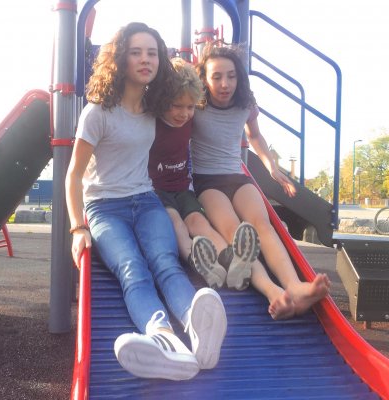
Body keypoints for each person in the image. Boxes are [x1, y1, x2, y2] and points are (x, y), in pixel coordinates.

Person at [65, 23, 227, 381]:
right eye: (136, 52)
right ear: (120, 58)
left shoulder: (156, 108)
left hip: (145, 199)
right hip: (105, 207)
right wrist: (77, 228)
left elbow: (194, 96)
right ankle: (163, 339)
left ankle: (197, 328)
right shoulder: (98, 113)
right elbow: (73, 175)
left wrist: (238, 96)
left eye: (152, 53)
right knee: (132, 268)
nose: (145, 59)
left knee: (166, 263)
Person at [191, 41, 331, 320]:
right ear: (204, 79)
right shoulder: (195, 104)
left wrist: (272, 168)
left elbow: (254, 135)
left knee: (262, 225)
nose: (225, 84)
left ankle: (295, 287)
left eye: (231, 76)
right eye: (216, 76)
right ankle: (272, 291)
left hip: (237, 176)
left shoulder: (245, 104)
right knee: (235, 231)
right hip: (207, 181)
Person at [148, 57, 260, 290]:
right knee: (176, 223)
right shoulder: (151, 122)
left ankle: (232, 261)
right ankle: (199, 261)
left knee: (199, 222)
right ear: (162, 101)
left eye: (190, 107)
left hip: (182, 188)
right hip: (155, 191)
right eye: (177, 106)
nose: (184, 113)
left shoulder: (190, 121)